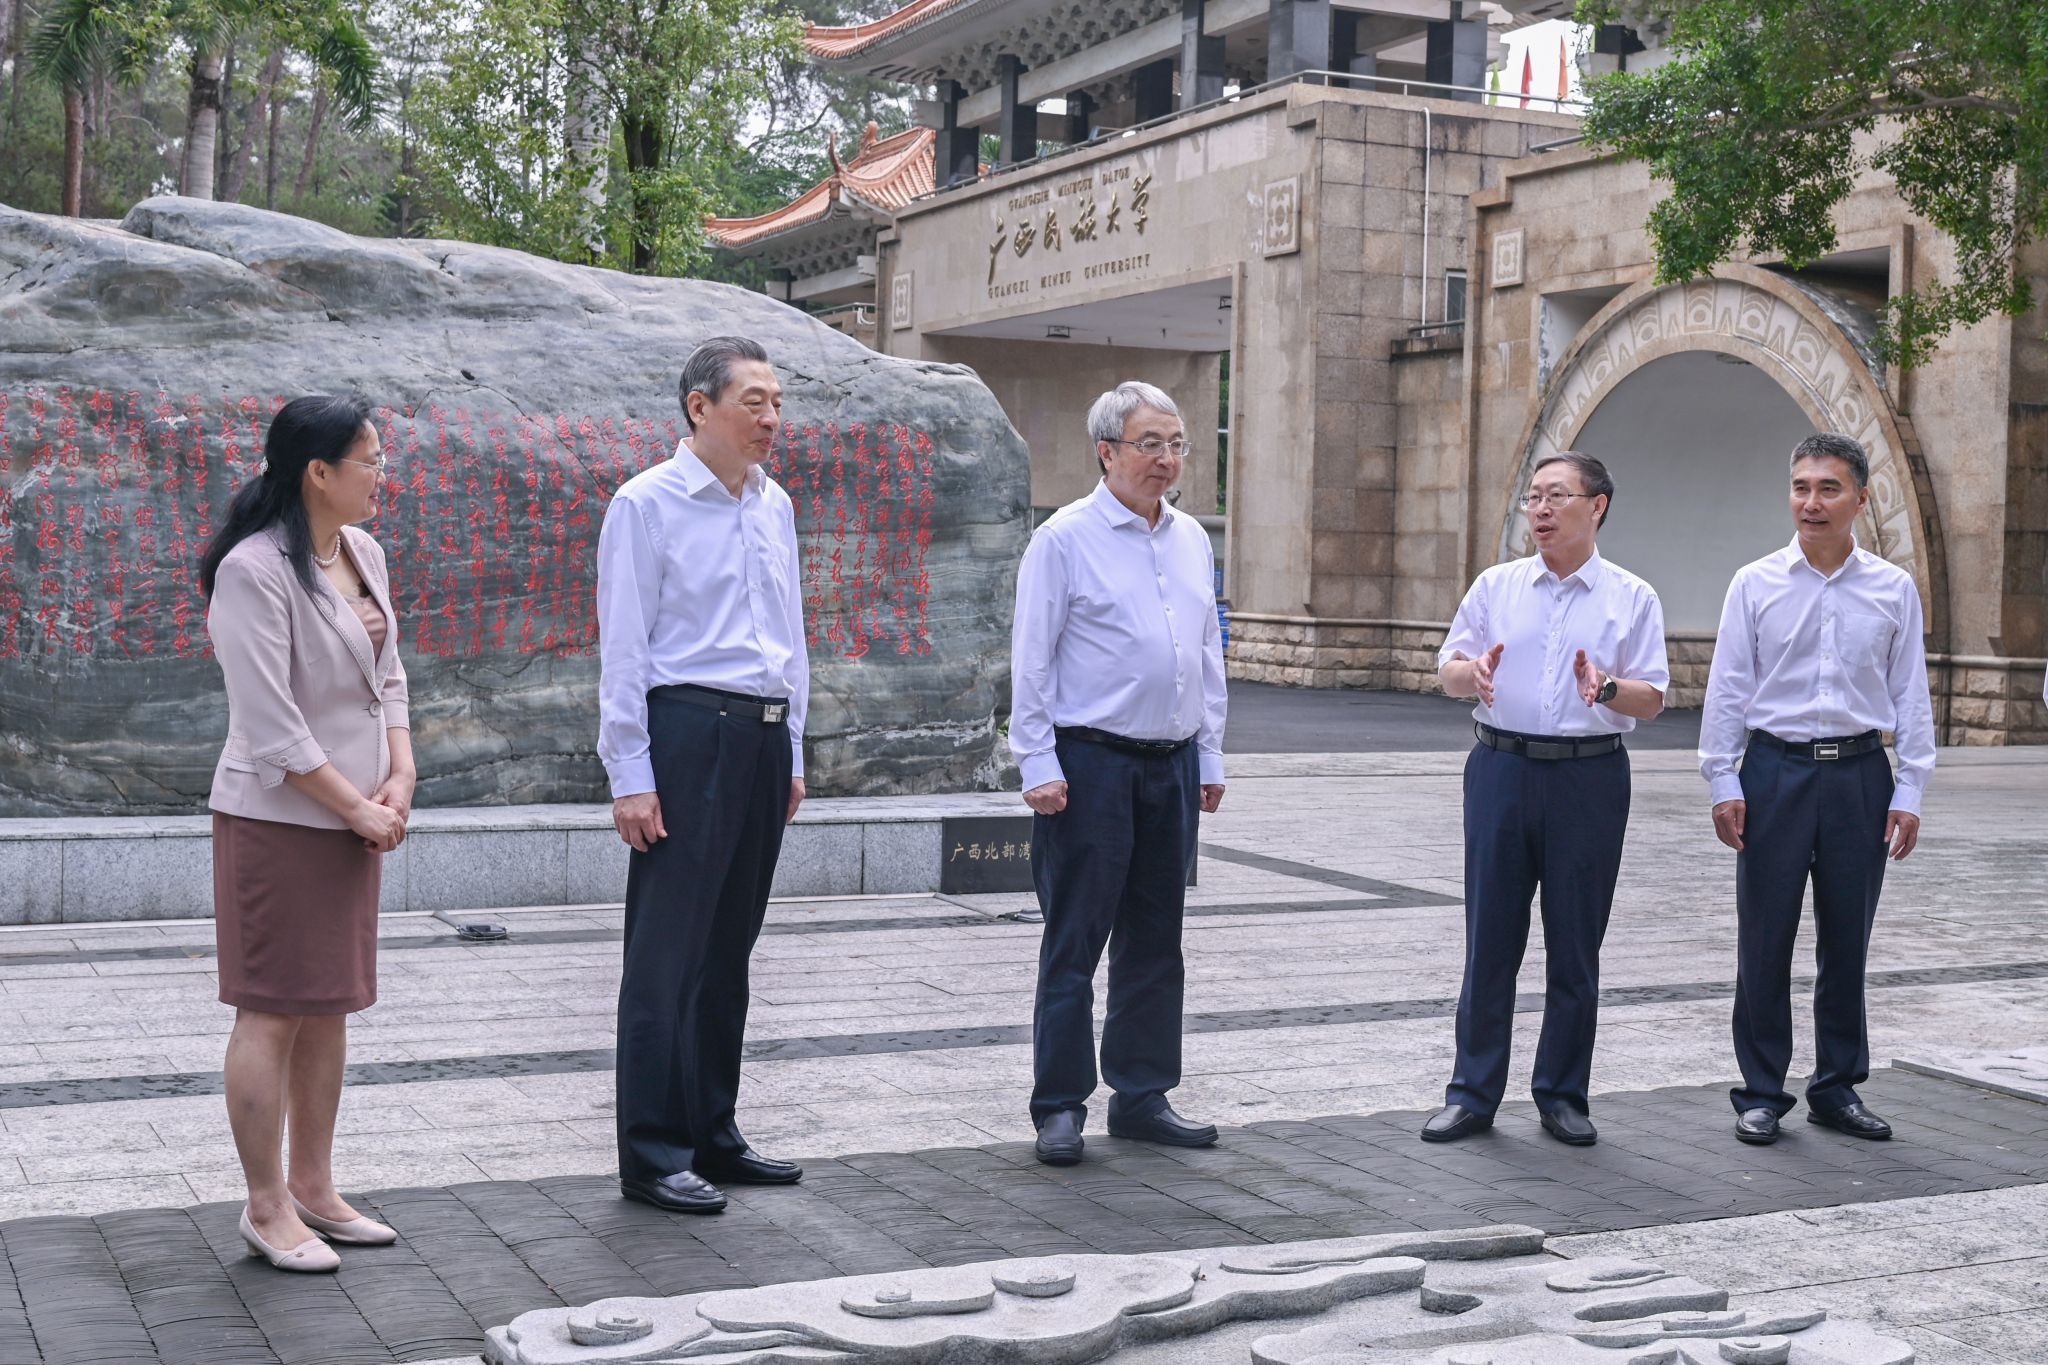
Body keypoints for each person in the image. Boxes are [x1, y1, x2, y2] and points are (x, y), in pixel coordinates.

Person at [199, 394, 413, 1273]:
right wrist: (355, 805)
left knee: (327, 1004)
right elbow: (271, 726)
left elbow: (388, 675)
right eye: (371, 460)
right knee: (272, 1007)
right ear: (318, 472)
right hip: (281, 818)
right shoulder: (252, 571)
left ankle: (315, 1187)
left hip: (358, 813)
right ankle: (266, 1205)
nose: (382, 474)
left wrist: (401, 771)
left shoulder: (363, 551)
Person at [597, 337, 809, 1214]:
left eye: (778, 402)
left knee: (728, 951)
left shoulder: (773, 503)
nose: (771, 418)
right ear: (699, 406)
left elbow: (790, 635)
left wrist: (795, 747)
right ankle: (653, 1151)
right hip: (688, 733)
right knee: (668, 955)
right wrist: (630, 773)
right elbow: (624, 647)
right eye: (754, 401)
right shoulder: (646, 503)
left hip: (762, 738)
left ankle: (713, 1130)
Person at [1424, 452, 1669, 1149]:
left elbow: (1653, 697)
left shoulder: (1632, 597)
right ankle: (1472, 1094)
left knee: (1575, 943)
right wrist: (1472, 673)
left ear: (1598, 506)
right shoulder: (1497, 586)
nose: (1540, 509)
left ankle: (1562, 1094)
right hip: (1500, 770)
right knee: (1489, 940)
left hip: (1588, 779)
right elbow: (1447, 671)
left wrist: (1608, 688)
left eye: (1557, 496)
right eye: (1533, 496)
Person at [1011, 380, 1227, 1167]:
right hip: (1090, 765)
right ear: (1106, 451)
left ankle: (1141, 1094)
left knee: (1156, 940)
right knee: (1075, 939)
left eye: (1176, 444)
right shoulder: (1064, 539)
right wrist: (1037, 760)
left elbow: (1206, 650)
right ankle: (1060, 1104)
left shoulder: (1192, 539)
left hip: (1171, 764)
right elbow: (1031, 657)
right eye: (1149, 443)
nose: (1166, 458)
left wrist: (1210, 752)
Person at [1701, 432, 1935, 1146]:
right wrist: (1722, 776)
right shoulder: (1755, 583)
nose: (1811, 501)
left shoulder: (1892, 588)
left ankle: (1836, 1087)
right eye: (1801, 487)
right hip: (1774, 773)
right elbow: (1728, 687)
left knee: (1847, 939)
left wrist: (1911, 788)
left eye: (1829, 488)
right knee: (1764, 938)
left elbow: (1911, 693)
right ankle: (1761, 1092)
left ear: (1861, 499)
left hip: (1861, 774)